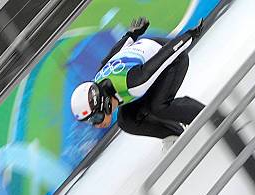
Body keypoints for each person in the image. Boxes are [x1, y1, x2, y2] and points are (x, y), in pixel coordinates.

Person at [70, 17, 206, 151]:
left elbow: (163, 57)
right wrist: (132, 34)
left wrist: (188, 36)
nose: (96, 125)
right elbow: (112, 57)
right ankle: (173, 133)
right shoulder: (99, 82)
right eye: (90, 121)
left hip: (170, 56)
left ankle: (205, 114)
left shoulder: (134, 82)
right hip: (144, 60)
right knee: (126, 120)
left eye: (96, 118)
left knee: (158, 106)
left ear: (105, 104)